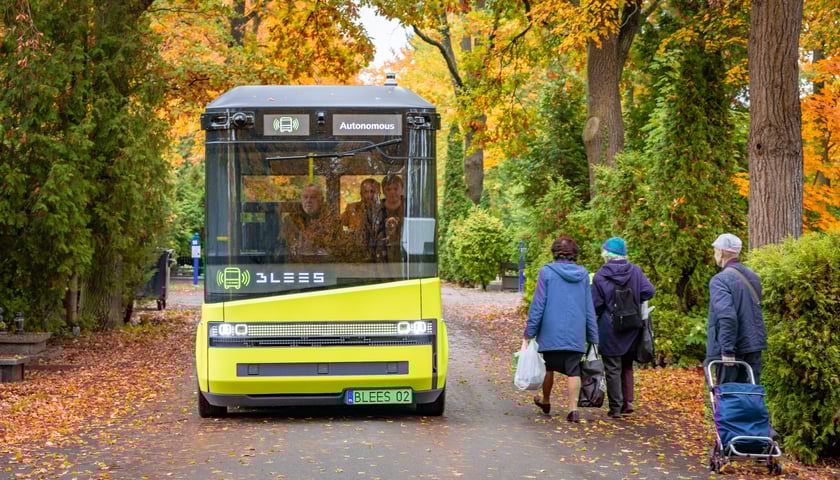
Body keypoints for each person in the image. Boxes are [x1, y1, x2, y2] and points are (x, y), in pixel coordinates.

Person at [524, 235, 598, 423]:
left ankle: (546, 401)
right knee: (574, 370)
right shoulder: (582, 274)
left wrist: (530, 332)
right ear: (574, 254)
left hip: (551, 330)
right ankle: (573, 410)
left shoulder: (546, 272)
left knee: (549, 367)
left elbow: (538, 304)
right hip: (576, 331)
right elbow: (588, 307)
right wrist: (593, 337)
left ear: (555, 253)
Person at [591, 237, 656, 418]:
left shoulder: (600, 275)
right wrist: (633, 300)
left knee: (612, 367)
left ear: (606, 254)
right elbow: (649, 291)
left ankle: (615, 408)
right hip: (632, 325)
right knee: (627, 364)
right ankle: (627, 403)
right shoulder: (635, 271)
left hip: (610, 326)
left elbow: (595, 304)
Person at [705, 233, 768, 384]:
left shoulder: (719, 280)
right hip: (753, 346)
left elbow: (727, 316)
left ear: (721, 252)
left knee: (728, 394)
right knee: (750, 393)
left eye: (715, 250)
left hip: (733, 349)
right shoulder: (753, 277)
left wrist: (727, 350)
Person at [281, 184, 341, 259]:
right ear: (301, 199)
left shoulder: (331, 221)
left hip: (324, 262)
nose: (308, 201)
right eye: (305, 197)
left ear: (321, 200)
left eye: (313, 197)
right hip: (296, 262)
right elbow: (282, 246)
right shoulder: (290, 220)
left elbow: (337, 248)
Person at [373, 174, 405, 261]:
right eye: (388, 189)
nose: (392, 192)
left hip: (406, 259)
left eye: (395, 188)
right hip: (380, 259)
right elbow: (366, 237)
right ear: (383, 191)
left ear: (402, 189)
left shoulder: (411, 209)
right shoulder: (373, 211)